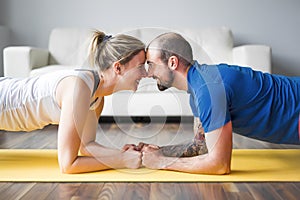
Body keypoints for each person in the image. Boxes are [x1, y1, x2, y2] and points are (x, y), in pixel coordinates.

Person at [140, 32, 300, 174]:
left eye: (151, 65)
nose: (148, 73)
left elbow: (219, 165)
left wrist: (162, 162)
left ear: (173, 63)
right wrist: (157, 152)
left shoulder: (208, 89)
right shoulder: (197, 89)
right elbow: (200, 145)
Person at [0, 30, 147, 174]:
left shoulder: (97, 97)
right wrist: (121, 160)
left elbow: (87, 146)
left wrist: (123, 153)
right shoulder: (79, 88)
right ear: (118, 67)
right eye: (140, 66)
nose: (146, 73)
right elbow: (68, 165)